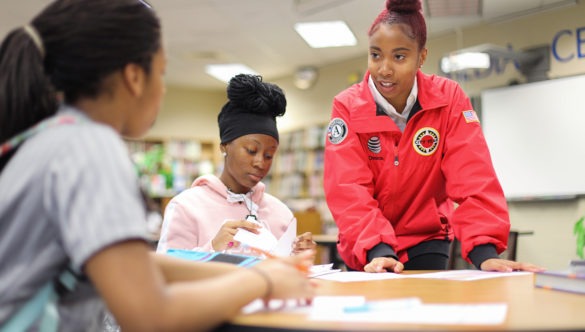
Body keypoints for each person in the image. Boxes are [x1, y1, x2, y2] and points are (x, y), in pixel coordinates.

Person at [0, 1, 314, 331]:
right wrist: (260, 282)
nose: (162, 89)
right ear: (135, 77)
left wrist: (254, 271)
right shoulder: (88, 147)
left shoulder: (49, 139)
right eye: (162, 73)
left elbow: (138, 264)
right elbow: (148, 315)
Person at [323, 0, 544, 273]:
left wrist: (484, 250)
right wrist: (378, 248)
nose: (384, 69)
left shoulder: (448, 98)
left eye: (399, 56)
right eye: (376, 55)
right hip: (366, 246)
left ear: (422, 57)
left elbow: (473, 174)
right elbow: (347, 188)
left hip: (426, 240)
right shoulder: (347, 106)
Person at [157, 73, 316, 257]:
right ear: (225, 146)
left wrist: (300, 257)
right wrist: (213, 247)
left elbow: (289, 277)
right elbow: (165, 274)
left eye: (269, 155)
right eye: (251, 150)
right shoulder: (186, 207)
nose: (260, 162)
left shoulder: (281, 213)